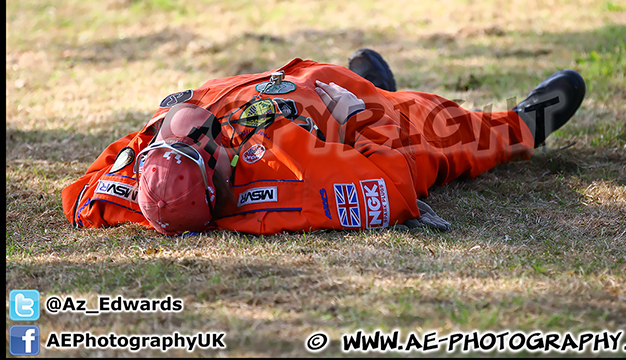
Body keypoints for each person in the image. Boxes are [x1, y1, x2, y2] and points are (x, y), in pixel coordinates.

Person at [61, 49, 585, 236]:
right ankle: (521, 127)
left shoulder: (146, 185)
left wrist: (148, 144)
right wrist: (356, 117)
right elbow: (393, 187)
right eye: (198, 138)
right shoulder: (293, 185)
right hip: (352, 119)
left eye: (163, 140)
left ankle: (375, 84)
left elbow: (82, 197)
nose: (185, 126)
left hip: (298, 83)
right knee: (431, 127)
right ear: (215, 172)